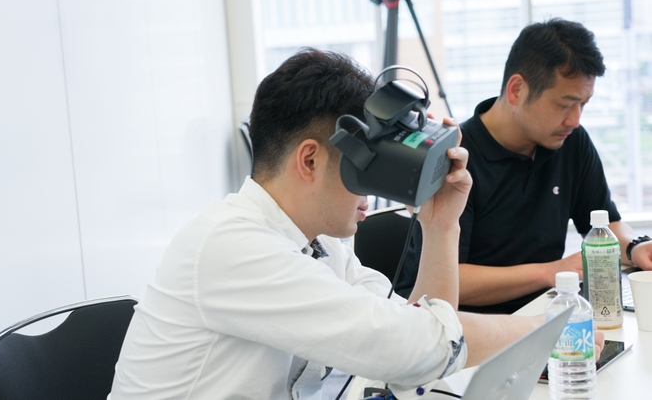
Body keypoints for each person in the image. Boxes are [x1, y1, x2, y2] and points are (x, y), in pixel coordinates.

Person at [108, 48, 592, 400]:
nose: (374, 188)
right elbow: (417, 348)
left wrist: (441, 226)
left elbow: (419, 335)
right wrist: (547, 326)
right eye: (366, 169)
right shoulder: (232, 247)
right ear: (310, 160)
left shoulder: (319, 244)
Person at [397, 18, 652, 314]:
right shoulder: (455, 158)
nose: (575, 120)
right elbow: (442, 281)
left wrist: (636, 247)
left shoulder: (571, 141)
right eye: (564, 105)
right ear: (517, 89)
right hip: (458, 322)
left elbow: (604, 222)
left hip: (542, 312)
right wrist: (549, 272)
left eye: (583, 104)